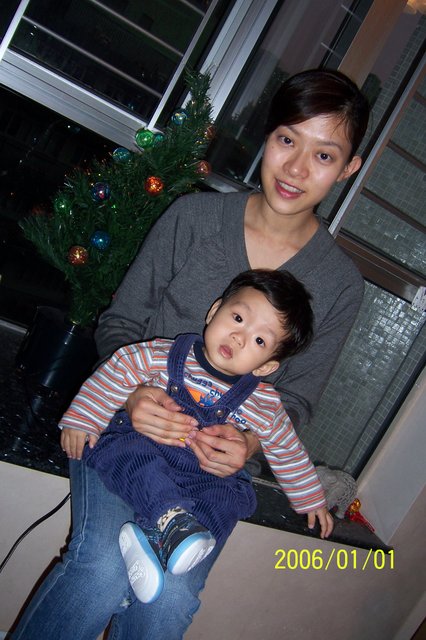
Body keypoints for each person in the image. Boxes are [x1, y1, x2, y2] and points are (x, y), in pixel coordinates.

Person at [10, 68, 369, 640]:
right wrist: (134, 395)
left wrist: (248, 443)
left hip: (208, 472)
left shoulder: (340, 284)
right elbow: (121, 324)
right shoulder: (192, 219)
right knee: (101, 571)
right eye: (287, 140)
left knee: (169, 600)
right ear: (268, 137)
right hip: (125, 434)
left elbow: (296, 400)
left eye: (324, 155)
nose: (297, 169)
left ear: (348, 167)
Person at [59, 269, 332, 605]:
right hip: (149, 448)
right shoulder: (161, 353)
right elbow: (115, 373)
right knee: (129, 451)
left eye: (260, 341)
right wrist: (83, 419)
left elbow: (287, 449)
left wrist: (311, 500)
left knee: (227, 499)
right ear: (214, 311)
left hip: (203, 476)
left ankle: (160, 550)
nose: (239, 337)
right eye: (237, 318)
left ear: (265, 367)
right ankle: (167, 522)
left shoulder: (264, 403)